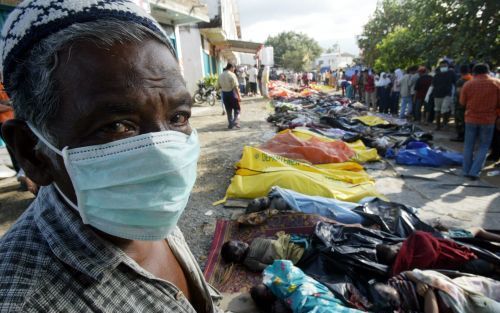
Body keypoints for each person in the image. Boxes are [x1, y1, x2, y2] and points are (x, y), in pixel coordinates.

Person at [0, 1, 223, 312]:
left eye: (178, 117)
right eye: (117, 126)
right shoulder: (24, 301)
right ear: (31, 153)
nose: (166, 156)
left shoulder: (142, 208)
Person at [460, 63, 500, 179]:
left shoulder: (468, 84)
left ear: (474, 72)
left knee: (469, 145)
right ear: (488, 71)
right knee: (484, 146)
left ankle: (466, 171)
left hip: (471, 118)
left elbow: (462, 102)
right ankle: (474, 171)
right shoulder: (496, 83)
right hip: (488, 120)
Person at [220, 232, 304, 272]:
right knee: (304, 253)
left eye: (237, 242)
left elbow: (275, 240)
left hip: (288, 243)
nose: (240, 244)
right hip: (286, 254)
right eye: (236, 248)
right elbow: (269, 268)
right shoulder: (248, 261)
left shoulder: (255, 240)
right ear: (236, 257)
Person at [431, 60, 457, 130]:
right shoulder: (437, 74)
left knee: (444, 110)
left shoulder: (451, 73)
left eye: (445, 66)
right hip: (437, 94)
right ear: (440, 66)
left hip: (447, 94)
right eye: (442, 66)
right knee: (438, 110)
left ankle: (445, 124)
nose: (443, 67)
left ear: (447, 66)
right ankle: (438, 125)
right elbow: (433, 84)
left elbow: (455, 82)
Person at [450, 64, 473, 141]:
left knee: (460, 121)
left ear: (461, 71)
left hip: (461, 105)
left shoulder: (461, 81)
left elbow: (458, 93)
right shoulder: (472, 79)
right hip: (470, 104)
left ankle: (461, 136)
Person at [217, 63, 242, 129]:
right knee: (237, 109)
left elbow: (217, 87)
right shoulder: (232, 75)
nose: (234, 69)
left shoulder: (220, 75)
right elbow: (236, 87)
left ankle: (230, 124)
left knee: (228, 110)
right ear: (231, 67)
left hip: (224, 94)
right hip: (232, 94)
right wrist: (239, 96)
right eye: (234, 68)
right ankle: (235, 121)